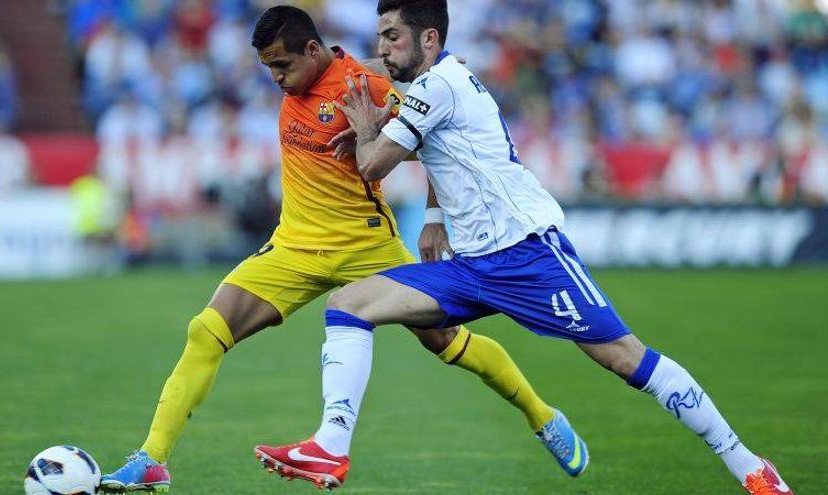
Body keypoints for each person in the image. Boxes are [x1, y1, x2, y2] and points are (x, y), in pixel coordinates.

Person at [253, 2, 793, 494]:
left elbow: (372, 164)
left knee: (627, 360)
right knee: (349, 304)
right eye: (379, 37)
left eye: (392, 36)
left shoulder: (437, 87)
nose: (383, 48)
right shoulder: (435, 84)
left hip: (529, 256)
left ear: (429, 39)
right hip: (471, 266)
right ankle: (331, 446)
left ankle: (748, 464)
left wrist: (368, 127)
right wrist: (435, 218)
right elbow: (429, 145)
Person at [100, 6, 583, 493]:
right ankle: (152, 460)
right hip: (294, 246)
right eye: (268, 68)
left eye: (282, 65)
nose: (276, 78)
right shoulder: (317, 78)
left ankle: (541, 416)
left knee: (448, 342)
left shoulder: (367, 87)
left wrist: (435, 218)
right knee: (206, 331)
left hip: (368, 247)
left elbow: (440, 142)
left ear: (312, 50)